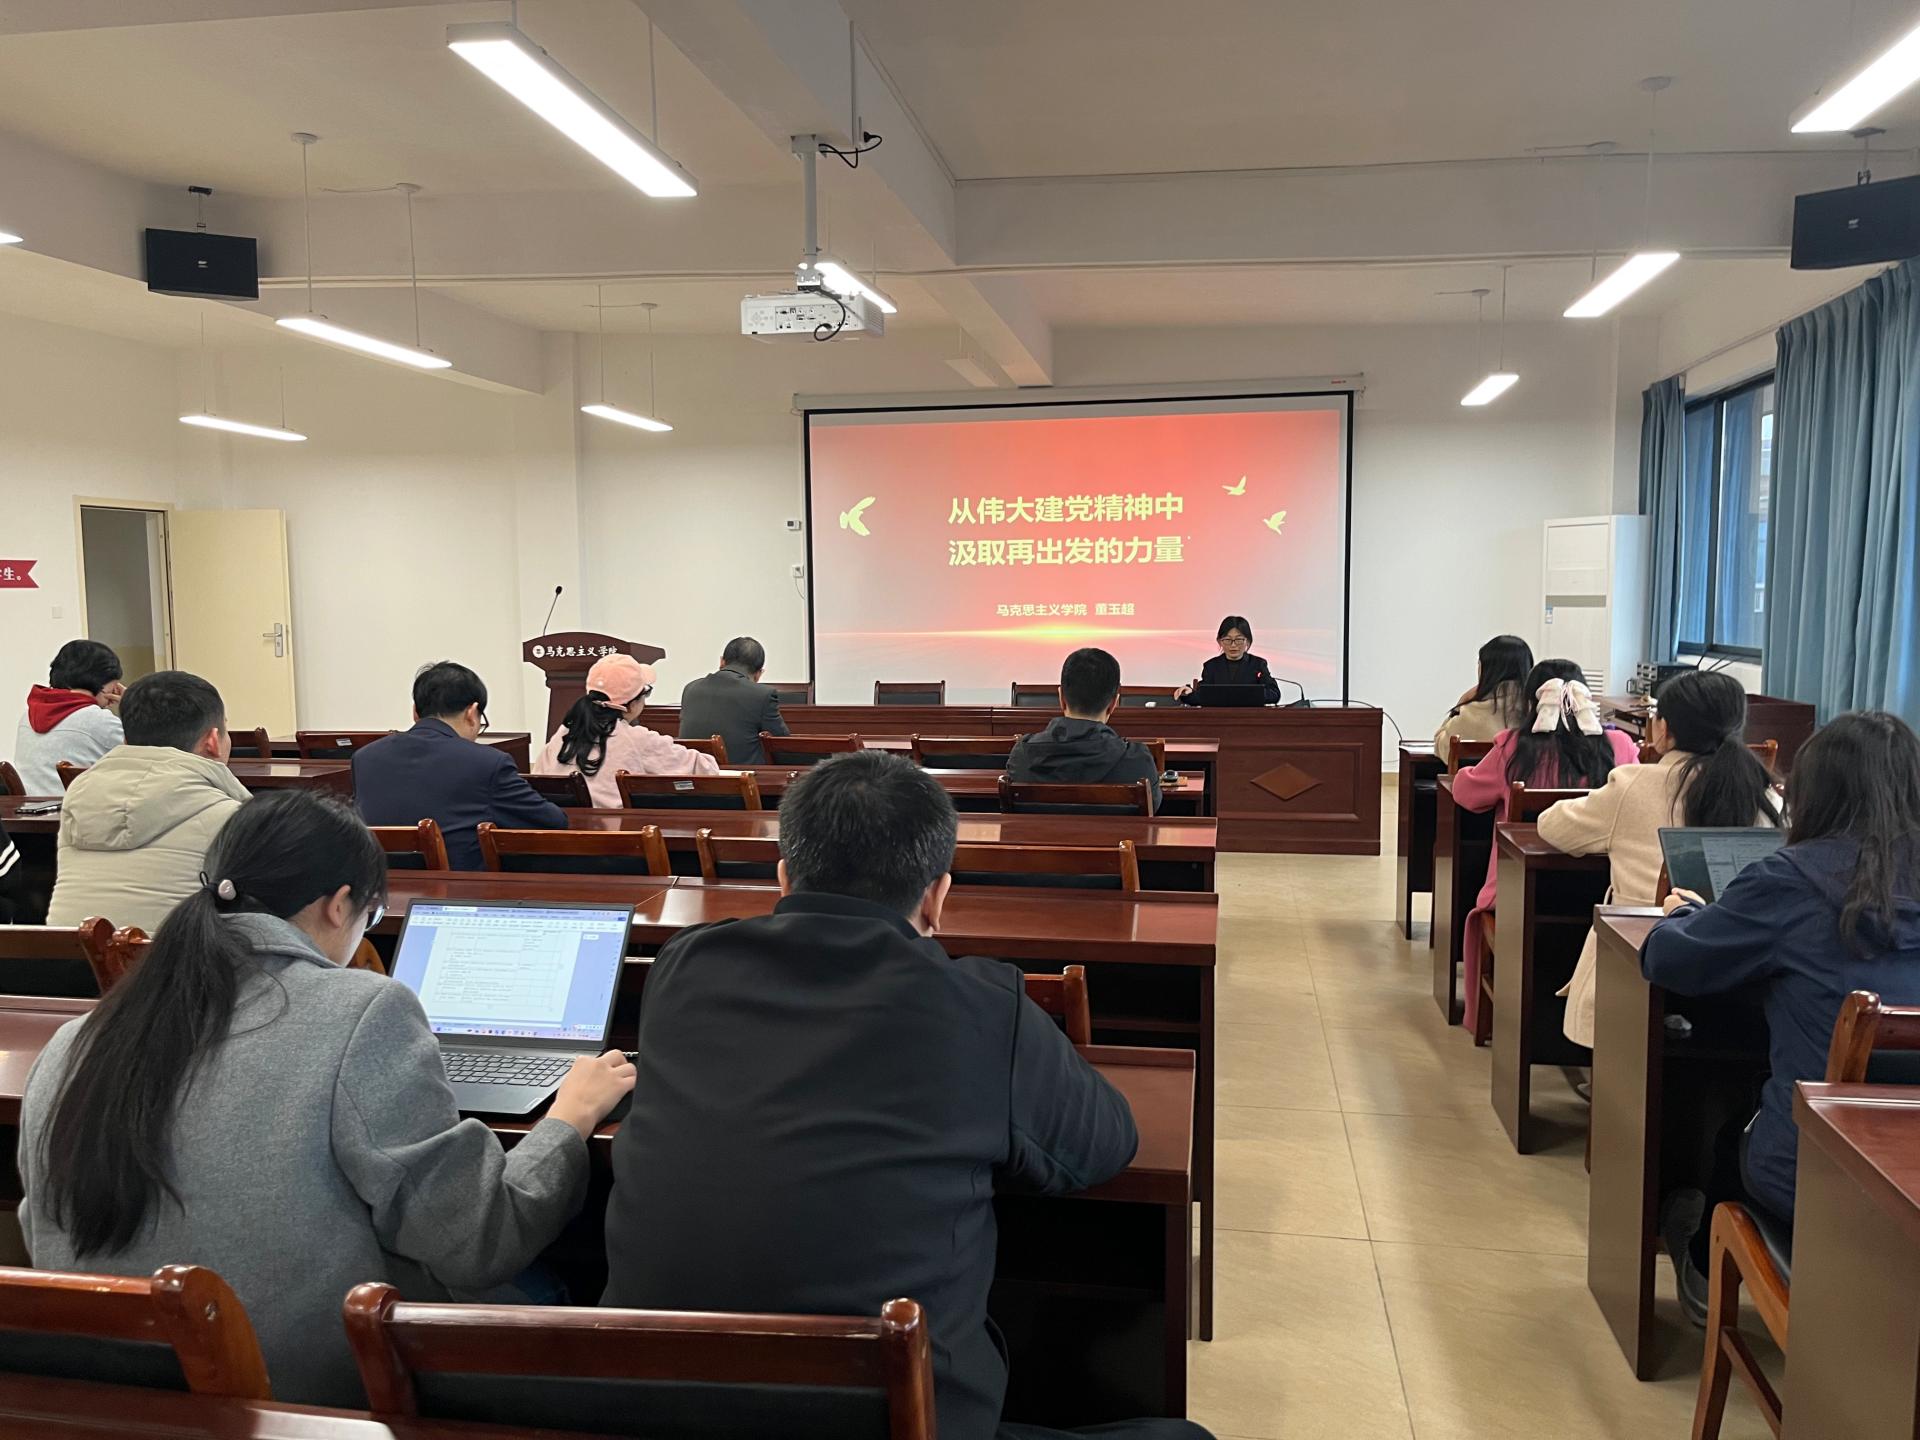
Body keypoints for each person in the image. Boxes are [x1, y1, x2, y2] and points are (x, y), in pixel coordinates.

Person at [602, 751, 1200, 1440]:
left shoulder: (683, 967)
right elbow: (1105, 1146)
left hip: (642, 1410)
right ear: (937, 894)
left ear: (783, 877)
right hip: (889, 1416)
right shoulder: (982, 1006)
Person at [18, 789, 633, 1404]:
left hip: (107, 1392)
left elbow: (38, 1227)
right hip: (295, 1396)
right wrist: (568, 1119)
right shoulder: (363, 1009)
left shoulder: (83, 1037)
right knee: (551, 1289)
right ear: (339, 906)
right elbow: (479, 1241)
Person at [1641, 711, 1920, 1325]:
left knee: (1735, 1128)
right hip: (1909, 1169)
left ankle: (1706, 1273)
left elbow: (1668, 961)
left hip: (1824, 1173)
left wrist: (1683, 916)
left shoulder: (1792, 879)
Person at [1542, 669, 1781, 1046]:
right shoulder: (1764, 795)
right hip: (1742, 972)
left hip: (1641, 963)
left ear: (1663, 728)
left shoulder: (1634, 784)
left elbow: (1553, 826)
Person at [1450, 661, 1638, 1038]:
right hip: (1601, 896)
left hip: (1521, 894)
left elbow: (1466, 794)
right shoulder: (1619, 746)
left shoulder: (1513, 747)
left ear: (1531, 702)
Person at [46, 670, 250, 933]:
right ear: (213, 742)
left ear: (126, 740)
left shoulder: (79, 797)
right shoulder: (233, 815)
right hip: (176, 958)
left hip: (66, 956)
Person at [353, 661, 566, 870]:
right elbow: (552, 821)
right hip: (460, 888)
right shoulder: (488, 763)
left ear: (415, 712)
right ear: (472, 712)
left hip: (381, 886)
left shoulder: (364, 758)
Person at [534, 654, 719, 808]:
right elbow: (704, 768)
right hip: (620, 836)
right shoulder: (636, 738)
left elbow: (538, 779)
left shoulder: (563, 735)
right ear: (631, 705)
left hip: (564, 834)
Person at [1007, 647, 1163, 812]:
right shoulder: (1138, 760)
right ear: (1113, 704)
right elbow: (1153, 807)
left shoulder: (1022, 755)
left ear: (1061, 698)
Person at [13, 640, 125, 795]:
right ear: (100, 683)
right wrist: (131, 704)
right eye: (113, 687)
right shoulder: (99, 720)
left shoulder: (27, 717)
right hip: (74, 808)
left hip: (28, 808)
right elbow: (149, 756)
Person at [676, 637, 790, 764]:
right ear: (758, 673)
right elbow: (782, 745)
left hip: (694, 773)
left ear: (722, 661)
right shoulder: (763, 695)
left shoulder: (690, 689)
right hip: (742, 775)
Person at [1434, 634, 1534, 752]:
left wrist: (1460, 706)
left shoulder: (1473, 714)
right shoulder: (1538, 711)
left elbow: (1442, 745)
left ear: (1487, 671)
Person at [1174, 616, 1282, 704]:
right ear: (1220, 641)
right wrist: (1188, 693)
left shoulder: (1258, 665)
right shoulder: (1211, 666)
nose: (1233, 645)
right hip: (1218, 720)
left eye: (1239, 639)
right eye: (1227, 639)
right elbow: (1201, 696)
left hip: (1250, 720)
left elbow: (1274, 694)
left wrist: (1250, 694)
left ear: (1248, 641)